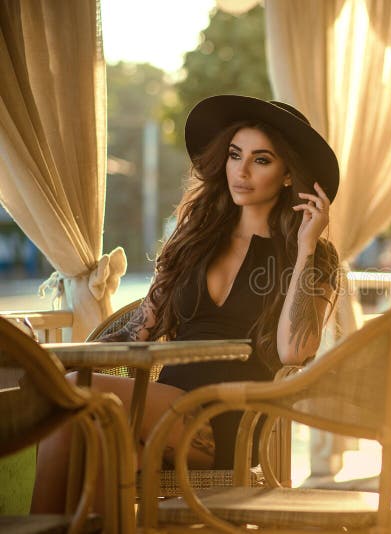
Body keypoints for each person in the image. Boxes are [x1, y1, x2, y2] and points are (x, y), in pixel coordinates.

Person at [31, 95, 341, 512]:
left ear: (288, 176)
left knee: (76, 395)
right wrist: (62, 359)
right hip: (160, 408)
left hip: (232, 421)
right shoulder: (194, 240)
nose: (242, 171)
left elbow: (294, 351)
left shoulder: (312, 257)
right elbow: (138, 331)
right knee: (92, 437)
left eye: (261, 160)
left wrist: (305, 249)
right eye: (235, 155)